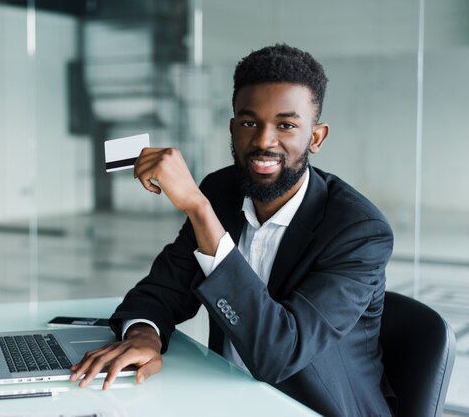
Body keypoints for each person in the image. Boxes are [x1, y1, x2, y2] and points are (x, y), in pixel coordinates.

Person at [70, 44, 394, 416]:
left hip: (313, 408)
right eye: (249, 122)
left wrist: (198, 209)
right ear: (232, 127)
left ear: (316, 137)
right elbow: (161, 291)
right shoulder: (221, 191)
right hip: (227, 396)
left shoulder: (358, 231)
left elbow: (278, 354)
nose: (263, 141)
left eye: (286, 125)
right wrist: (145, 336)